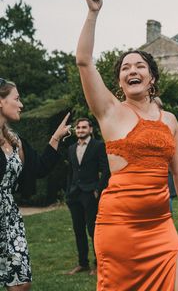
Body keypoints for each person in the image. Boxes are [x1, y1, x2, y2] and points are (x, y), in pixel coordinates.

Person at [76, 0, 178, 290]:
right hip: (118, 228)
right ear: (120, 80)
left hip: (161, 226)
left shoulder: (169, 120)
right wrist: (93, 13)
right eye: (125, 67)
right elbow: (83, 60)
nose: (131, 70)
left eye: (139, 66)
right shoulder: (109, 112)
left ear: (152, 78)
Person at [0, 78, 70, 290]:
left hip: (9, 219)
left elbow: (39, 168)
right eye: (17, 99)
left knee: (22, 283)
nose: (21, 104)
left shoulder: (15, 140)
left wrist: (56, 138)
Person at [64, 117, 110, 276]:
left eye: (84, 127)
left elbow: (106, 170)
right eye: (78, 128)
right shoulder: (70, 148)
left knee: (93, 229)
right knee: (78, 230)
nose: (80, 130)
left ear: (90, 129)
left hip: (91, 193)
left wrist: (98, 189)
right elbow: (70, 172)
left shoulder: (98, 146)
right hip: (74, 194)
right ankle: (82, 263)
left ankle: (98, 264)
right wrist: (68, 191)